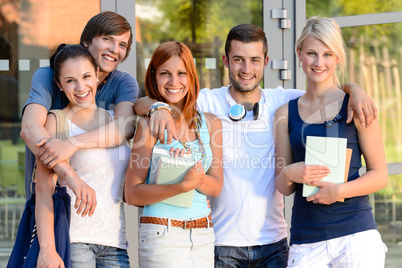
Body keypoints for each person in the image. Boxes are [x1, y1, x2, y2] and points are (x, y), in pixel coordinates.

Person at [134, 24, 377, 267]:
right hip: (221, 244)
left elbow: (324, 88)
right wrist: (158, 107)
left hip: (274, 243)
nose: (246, 69)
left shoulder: (285, 100)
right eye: (238, 59)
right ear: (225, 61)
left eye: (254, 60)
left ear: (266, 61)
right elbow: (144, 102)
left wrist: (354, 90)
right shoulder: (206, 101)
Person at [274, 17, 387, 267]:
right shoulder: (284, 114)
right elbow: (283, 186)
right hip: (307, 241)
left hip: (356, 236)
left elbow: (380, 175)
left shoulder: (357, 106)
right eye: (312, 53)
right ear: (299, 53)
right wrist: (291, 172)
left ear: (338, 58)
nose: (319, 62)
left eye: (327, 54)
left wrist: (340, 191)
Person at [124, 41, 223, 267]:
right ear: (154, 77)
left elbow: (216, 186)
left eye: (181, 73)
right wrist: (182, 185)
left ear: (191, 77)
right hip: (162, 234)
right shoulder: (148, 125)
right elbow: (132, 194)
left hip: (203, 235)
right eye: (165, 73)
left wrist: (192, 175)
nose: (173, 82)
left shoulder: (211, 123)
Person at [21, 11, 138, 201]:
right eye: (107, 39)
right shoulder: (48, 75)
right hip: (49, 200)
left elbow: (124, 127)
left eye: (122, 45)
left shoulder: (124, 83)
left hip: (102, 206)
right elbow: (30, 127)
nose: (115, 49)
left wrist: (72, 143)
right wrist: (70, 176)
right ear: (86, 41)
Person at [36, 44, 131, 268]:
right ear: (59, 85)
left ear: (97, 75)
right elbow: (43, 189)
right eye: (70, 80)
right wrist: (48, 250)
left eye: (86, 76)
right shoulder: (57, 122)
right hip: (75, 241)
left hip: (116, 242)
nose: (81, 87)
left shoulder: (115, 120)